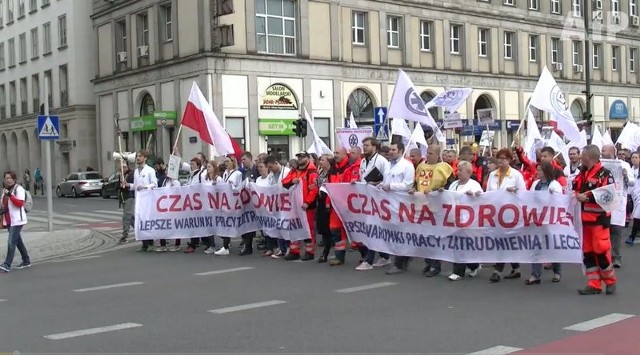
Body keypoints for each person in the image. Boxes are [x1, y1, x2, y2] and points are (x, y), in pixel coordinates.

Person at [573, 145, 617, 295]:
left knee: (601, 251)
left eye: (582, 155)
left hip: (599, 220)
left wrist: (588, 196)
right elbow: (575, 188)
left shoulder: (605, 173)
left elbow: (609, 194)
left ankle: (610, 282)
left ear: (589, 157)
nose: (580, 158)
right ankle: (594, 284)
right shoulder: (581, 173)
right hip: (584, 220)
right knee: (588, 252)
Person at [486, 148, 526, 283]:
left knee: (503, 241)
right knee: (503, 241)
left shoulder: (516, 175)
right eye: (499, 158)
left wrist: (514, 191)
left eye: (504, 158)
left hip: (510, 213)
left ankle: (497, 270)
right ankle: (516, 268)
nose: (501, 161)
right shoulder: (493, 175)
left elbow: (523, 193)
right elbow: (488, 193)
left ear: (509, 160)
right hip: (496, 212)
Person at [415, 144, 454, 277]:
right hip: (422, 206)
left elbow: (450, 186)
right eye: (427, 152)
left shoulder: (445, 168)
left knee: (436, 237)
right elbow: (417, 183)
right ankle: (428, 261)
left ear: (438, 155)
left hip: (437, 207)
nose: (428, 155)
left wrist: (437, 191)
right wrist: (413, 190)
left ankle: (436, 265)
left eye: (431, 153)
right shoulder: (420, 166)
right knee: (425, 236)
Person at [442, 161, 483, 281]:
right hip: (453, 218)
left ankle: (458, 272)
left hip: (467, 220)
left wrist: (474, 196)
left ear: (469, 172)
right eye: (457, 170)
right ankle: (474, 265)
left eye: (461, 170)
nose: (458, 172)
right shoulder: (454, 184)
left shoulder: (474, 185)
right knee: (458, 245)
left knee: (462, 245)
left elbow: (481, 200)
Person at [525, 161, 563, 285]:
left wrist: (552, 196)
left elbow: (559, 202)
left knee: (552, 246)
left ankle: (557, 271)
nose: (537, 172)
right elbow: (530, 197)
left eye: (540, 170)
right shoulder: (536, 184)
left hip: (550, 220)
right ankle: (535, 274)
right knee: (536, 246)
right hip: (537, 219)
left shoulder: (554, 184)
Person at [355, 137, 390, 270]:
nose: (364, 148)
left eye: (367, 145)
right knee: (371, 229)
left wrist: (375, 183)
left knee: (371, 229)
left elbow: (386, 180)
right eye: (363, 145)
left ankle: (368, 261)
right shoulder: (363, 161)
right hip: (366, 199)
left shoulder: (382, 161)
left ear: (375, 147)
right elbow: (362, 178)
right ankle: (385, 256)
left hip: (378, 200)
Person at [382, 142, 416, 275]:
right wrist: (381, 185)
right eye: (389, 149)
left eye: (393, 149)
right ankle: (404, 258)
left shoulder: (407, 166)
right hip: (389, 204)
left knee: (400, 233)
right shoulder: (388, 165)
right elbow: (386, 181)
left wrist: (391, 186)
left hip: (401, 204)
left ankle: (399, 263)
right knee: (393, 233)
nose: (390, 152)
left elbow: (407, 185)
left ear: (400, 150)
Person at [600, 144, 633, 269]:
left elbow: (632, 182)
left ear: (611, 151)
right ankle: (605, 257)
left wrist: (625, 175)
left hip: (619, 201)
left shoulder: (624, 165)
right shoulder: (600, 164)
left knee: (616, 231)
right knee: (604, 230)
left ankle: (616, 258)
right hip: (604, 200)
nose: (602, 152)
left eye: (604, 150)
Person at [282, 152, 319, 261]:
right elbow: (284, 182)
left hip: (306, 206)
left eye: (302, 157)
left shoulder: (312, 172)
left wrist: (307, 202)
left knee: (308, 229)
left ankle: (309, 252)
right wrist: (292, 181)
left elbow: (314, 189)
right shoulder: (294, 171)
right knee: (294, 226)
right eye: (298, 157)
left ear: (308, 158)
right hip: (294, 205)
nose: (299, 159)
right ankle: (294, 251)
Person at [327, 147, 360, 266]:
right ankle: (339, 257)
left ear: (344, 154)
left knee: (355, 230)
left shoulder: (349, 167)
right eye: (334, 153)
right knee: (335, 229)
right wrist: (328, 201)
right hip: (335, 204)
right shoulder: (333, 168)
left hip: (348, 205)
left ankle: (366, 256)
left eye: (337, 153)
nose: (335, 155)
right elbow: (329, 185)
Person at [122, 150, 158, 252]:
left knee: (147, 222)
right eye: (137, 156)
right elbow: (135, 186)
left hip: (147, 200)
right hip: (138, 200)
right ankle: (144, 244)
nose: (138, 158)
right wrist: (128, 185)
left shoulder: (150, 170)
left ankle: (150, 242)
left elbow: (155, 184)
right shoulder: (136, 172)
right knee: (140, 222)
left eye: (140, 156)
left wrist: (145, 187)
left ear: (145, 158)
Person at [0, 171, 31, 273]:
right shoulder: (5, 190)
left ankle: (7, 264)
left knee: (11, 242)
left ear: (14, 179)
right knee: (18, 241)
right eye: (6, 178)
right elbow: (4, 204)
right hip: (9, 220)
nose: (8, 180)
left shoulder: (19, 189)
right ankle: (26, 260)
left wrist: (10, 195)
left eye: (10, 178)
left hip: (17, 220)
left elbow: (19, 203)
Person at [215, 155, 243, 256]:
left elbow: (238, 186)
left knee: (231, 224)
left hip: (233, 202)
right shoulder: (225, 174)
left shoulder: (237, 173)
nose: (226, 163)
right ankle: (226, 245)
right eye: (225, 161)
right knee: (225, 224)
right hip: (225, 201)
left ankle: (228, 245)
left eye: (228, 161)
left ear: (233, 162)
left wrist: (231, 185)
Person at [266, 154, 291, 258]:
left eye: (271, 167)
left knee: (286, 227)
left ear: (276, 163)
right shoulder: (271, 175)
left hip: (286, 203)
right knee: (278, 226)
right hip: (276, 204)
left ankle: (289, 248)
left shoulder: (287, 172)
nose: (270, 169)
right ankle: (282, 248)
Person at [239, 152, 260, 256]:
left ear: (250, 159)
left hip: (256, 201)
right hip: (247, 202)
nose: (242, 162)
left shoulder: (256, 170)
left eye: (244, 159)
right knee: (248, 224)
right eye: (241, 160)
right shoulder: (244, 172)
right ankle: (248, 246)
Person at [315, 154, 333, 262]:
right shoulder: (321, 172)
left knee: (329, 228)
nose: (320, 162)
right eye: (320, 160)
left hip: (329, 202)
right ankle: (326, 249)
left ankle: (326, 253)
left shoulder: (332, 172)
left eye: (322, 160)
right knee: (322, 226)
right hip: (320, 201)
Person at [119, 164, 134, 244]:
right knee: (131, 218)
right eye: (121, 166)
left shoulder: (130, 175)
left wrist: (125, 185)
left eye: (124, 167)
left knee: (126, 217)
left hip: (130, 197)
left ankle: (124, 236)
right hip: (125, 198)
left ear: (127, 167)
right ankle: (141, 232)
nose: (122, 168)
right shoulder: (122, 175)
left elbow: (131, 186)